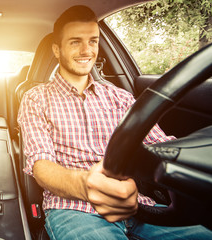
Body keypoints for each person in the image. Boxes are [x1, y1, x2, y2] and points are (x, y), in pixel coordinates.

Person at [18, 5, 212, 240]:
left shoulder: (119, 97)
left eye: (93, 41)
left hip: (137, 204)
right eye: (75, 42)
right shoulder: (36, 98)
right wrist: (85, 184)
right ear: (56, 50)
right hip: (74, 210)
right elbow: (41, 166)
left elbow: (162, 144)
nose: (86, 50)